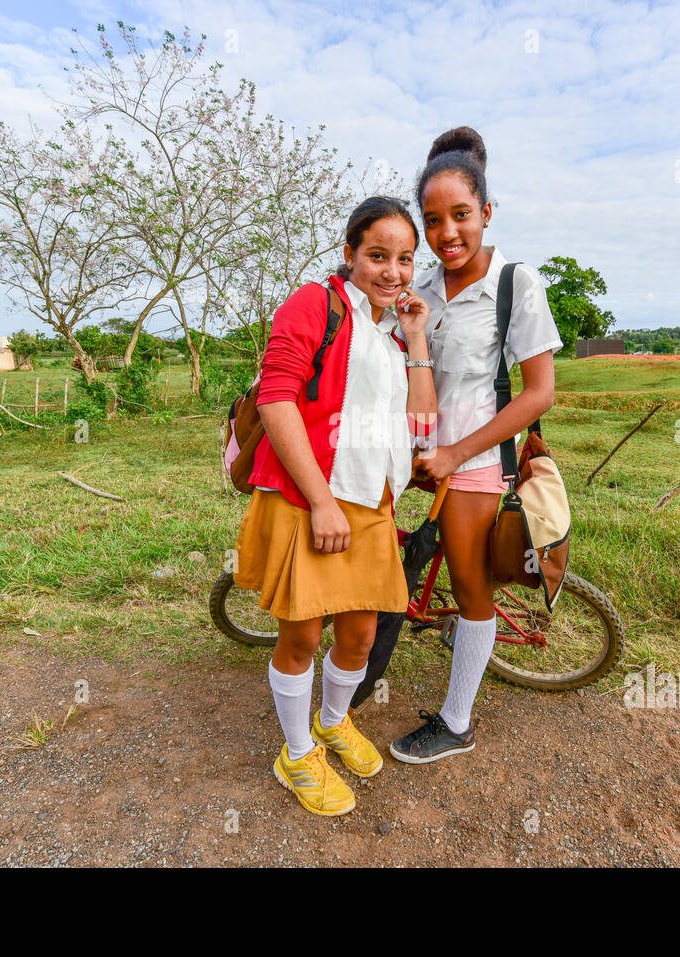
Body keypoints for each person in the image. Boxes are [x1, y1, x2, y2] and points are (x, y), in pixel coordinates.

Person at [234, 196, 436, 815]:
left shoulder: (387, 331)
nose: (392, 271)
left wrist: (417, 336)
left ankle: (332, 721)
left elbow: (422, 420)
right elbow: (276, 399)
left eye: (405, 259)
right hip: (310, 497)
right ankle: (296, 756)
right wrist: (320, 502)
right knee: (302, 634)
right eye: (378, 255)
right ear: (349, 254)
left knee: (362, 631)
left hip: (372, 503)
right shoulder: (313, 304)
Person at [390, 127, 562, 764]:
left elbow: (538, 393)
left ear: (486, 213)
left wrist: (456, 456)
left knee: (469, 588)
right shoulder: (420, 289)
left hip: (476, 461)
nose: (447, 233)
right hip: (417, 454)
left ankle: (456, 721)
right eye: (432, 221)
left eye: (461, 215)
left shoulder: (516, 283)